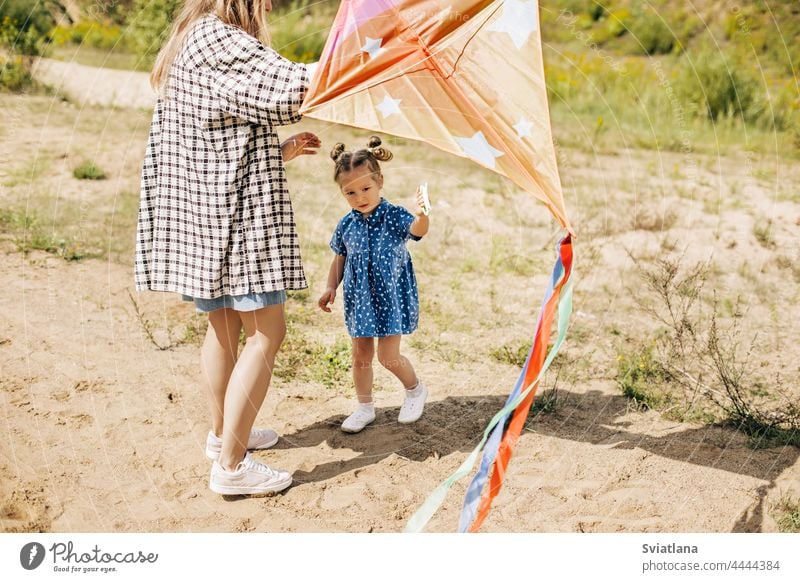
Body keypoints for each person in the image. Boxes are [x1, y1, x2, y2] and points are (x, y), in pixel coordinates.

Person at [134, 0, 321, 496]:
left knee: (224, 329)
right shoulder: (218, 38)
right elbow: (295, 87)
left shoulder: (192, 37)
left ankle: (224, 437)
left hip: (211, 215)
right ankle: (234, 467)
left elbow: (218, 136)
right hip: (237, 222)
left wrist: (281, 150)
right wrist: (369, 58)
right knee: (266, 333)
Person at [318, 137, 430, 433]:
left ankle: (415, 390)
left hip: (390, 297)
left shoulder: (393, 216)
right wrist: (331, 287)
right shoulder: (347, 224)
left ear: (379, 181)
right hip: (361, 300)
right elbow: (339, 258)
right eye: (350, 192)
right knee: (361, 356)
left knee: (388, 357)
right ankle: (365, 406)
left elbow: (416, 231)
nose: (359, 197)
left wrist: (422, 215)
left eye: (365, 188)